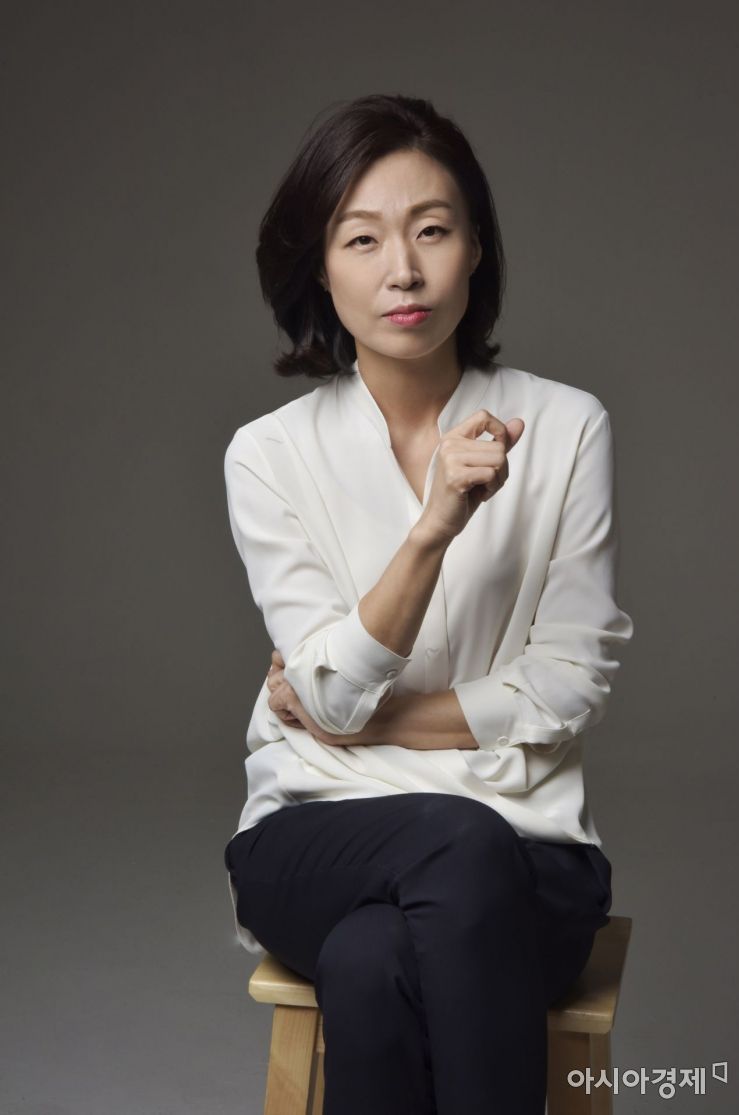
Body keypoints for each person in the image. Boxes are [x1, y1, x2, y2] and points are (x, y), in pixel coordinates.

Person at [222, 93, 634, 1115]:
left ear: (476, 249)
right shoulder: (267, 454)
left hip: (531, 851)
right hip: (314, 836)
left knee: (371, 958)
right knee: (457, 842)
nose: (401, 270)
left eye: (432, 231)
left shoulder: (566, 426)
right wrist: (434, 526)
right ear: (321, 267)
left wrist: (372, 722)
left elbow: (570, 678)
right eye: (361, 239)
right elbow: (326, 687)